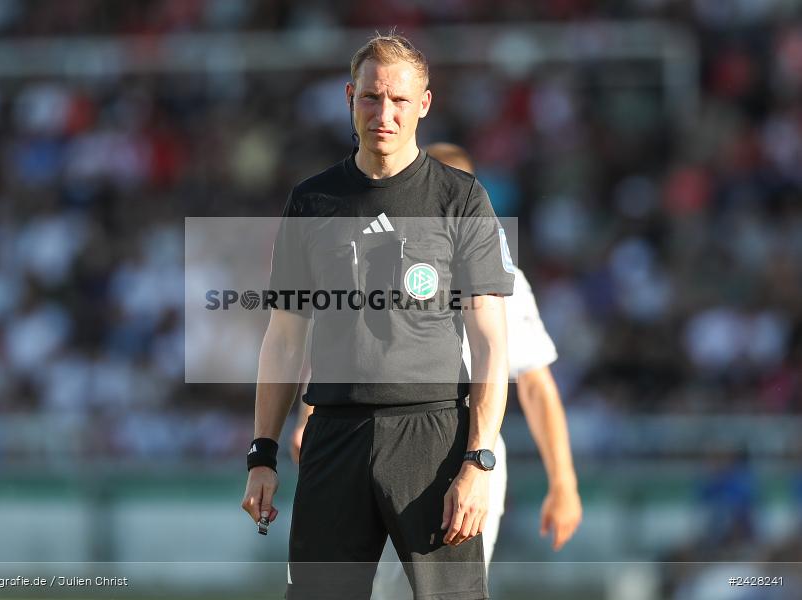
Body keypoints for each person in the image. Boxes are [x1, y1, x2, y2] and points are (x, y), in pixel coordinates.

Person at [241, 33, 514, 600]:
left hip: (433, 436)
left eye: (398, 100)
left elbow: (489, 340)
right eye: (370, 97)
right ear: (349, 97)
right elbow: (285, 338)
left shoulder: (459, 199)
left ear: (424, 105)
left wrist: (479, 460)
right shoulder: (312, 202)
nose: (383, 113)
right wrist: (262, 452)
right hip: (333, 433)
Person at [290, 143, 583, 600]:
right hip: (375, 438)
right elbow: (338, 342)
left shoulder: (503, 279)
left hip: (464, 447)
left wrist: (562, 481)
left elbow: (535, 384)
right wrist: (307, 419)